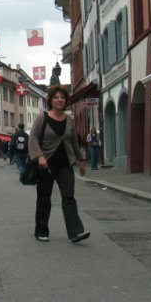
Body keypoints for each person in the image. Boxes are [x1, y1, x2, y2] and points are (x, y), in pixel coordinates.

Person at [28, 85, 90, 243]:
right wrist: (39, 156)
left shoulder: (69, 120)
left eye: (62, 98)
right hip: (46, 165)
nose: (59, 100)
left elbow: (74, 142)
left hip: (65, 165)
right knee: (44, 198)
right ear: (50, 100)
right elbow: (33, 138)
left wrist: (81, 160)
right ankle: (41, 231)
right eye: (56, 97)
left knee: (69, 197)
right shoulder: (43, 117)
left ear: (66, 101)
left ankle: (75, 232)